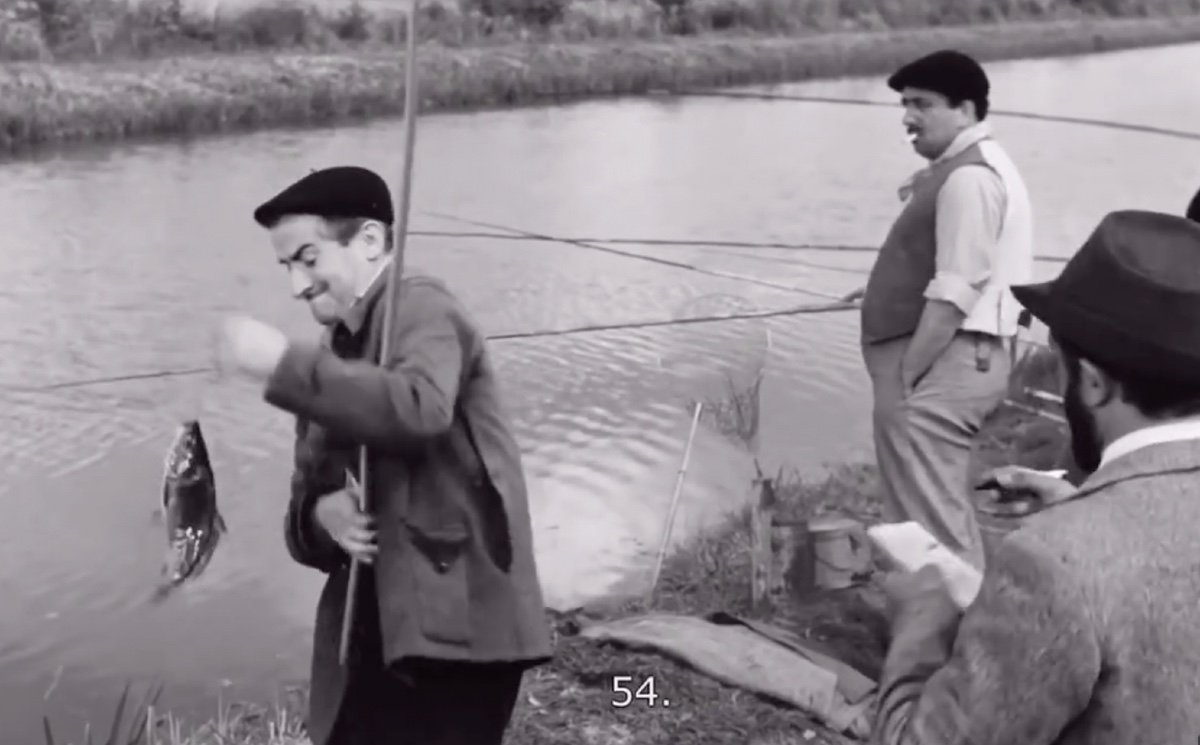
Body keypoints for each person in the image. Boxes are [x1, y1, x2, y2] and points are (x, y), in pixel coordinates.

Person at [217, 165, 553, 745]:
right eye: (286, 267)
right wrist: (322, 517)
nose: (297, 285)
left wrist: (281, 365)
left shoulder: (421, 306)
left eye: (308, 258)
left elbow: (419, 409)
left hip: (463, 624)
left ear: (369, 241)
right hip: (375, 628)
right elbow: (305, 509)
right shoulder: (331, 353)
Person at [872, 209, 1200, 745]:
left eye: (1060, 361)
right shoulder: (1076, 548)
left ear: (1092, 384)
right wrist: (1087, 507)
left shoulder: (1052, 564)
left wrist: (920, 624)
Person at [845, 49, 1034, 571]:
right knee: (931, 512)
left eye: (922, 104)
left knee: (930, 526)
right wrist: (885, 292)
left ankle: (959, 641)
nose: (908, 117)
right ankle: (957, 630)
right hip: (959, 357)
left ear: (966, 109)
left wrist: (908, 377)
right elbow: (958, 268)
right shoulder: (966, 167)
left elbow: (958, 287)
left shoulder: (970, 179)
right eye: (904, 104)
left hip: (948, 362)